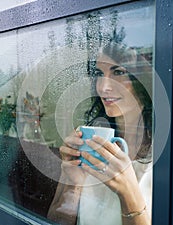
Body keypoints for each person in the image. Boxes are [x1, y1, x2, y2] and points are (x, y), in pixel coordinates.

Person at [47, 42, 153, 225]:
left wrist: (128, 193)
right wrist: (73, 184)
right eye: (99, 74)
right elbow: (57, 221)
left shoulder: (168, 156)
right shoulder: (87, 142)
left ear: (142, 80)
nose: (103, 87)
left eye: (118, 72)